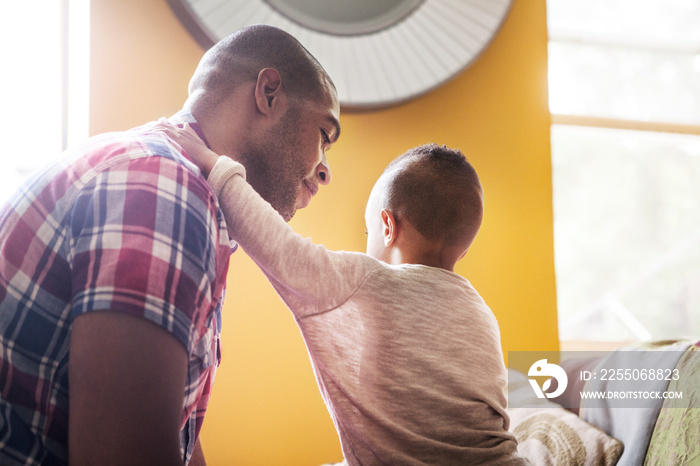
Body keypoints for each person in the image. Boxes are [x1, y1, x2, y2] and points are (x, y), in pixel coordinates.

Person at [0, 24, 339, 465]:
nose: (326, 171)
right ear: (269, 94)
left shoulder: (170, 182)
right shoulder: (163, 187)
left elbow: (172, 434)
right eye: (324, 136)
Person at [164, 124, 528, 465]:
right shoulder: (483, 314)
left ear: (387, 227)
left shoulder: (371, 280)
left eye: (369, 228)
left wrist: (214, 164)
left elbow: (279, 247)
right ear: (462, 251)